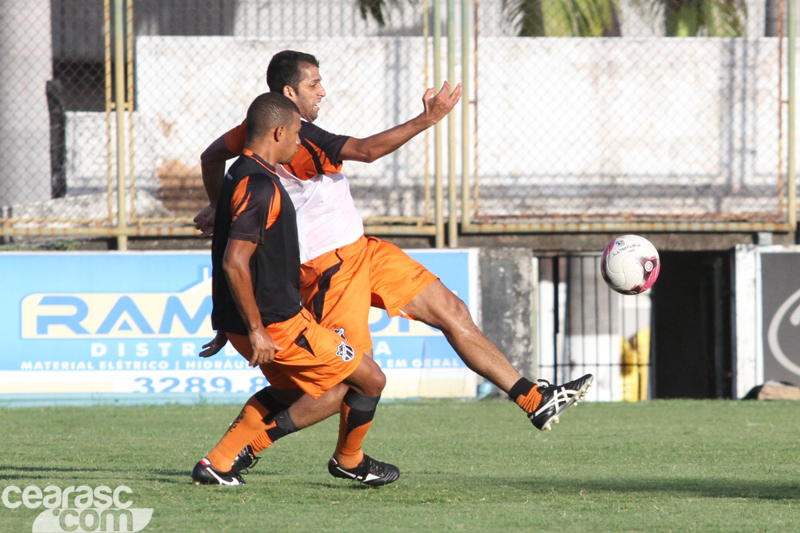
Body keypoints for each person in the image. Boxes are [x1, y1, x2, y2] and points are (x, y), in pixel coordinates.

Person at [194, 51, 594, 481]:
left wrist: (221, 206)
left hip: (362, 249)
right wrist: (428, 119)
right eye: (314, 84)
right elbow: (365, 151)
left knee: (451, 310)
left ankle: (533, 399)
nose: (323, 91)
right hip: (329, 269)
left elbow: (210, 157)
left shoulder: (262, 131)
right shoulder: (292, 137)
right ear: (289, 93)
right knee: (346, 383)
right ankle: (301, 455)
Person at [191, 92, 398, 487]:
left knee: (287, 390)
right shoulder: (261, 187)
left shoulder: (238, 174)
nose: (300, 143)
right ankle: (348, 461)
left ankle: (216, 463)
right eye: (298, 135)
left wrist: (229, 320)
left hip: (253, 319)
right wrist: (254, 328)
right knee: (369, 379)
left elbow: (231, 254)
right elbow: (234, 262)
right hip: (277, 325)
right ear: (279, 131)